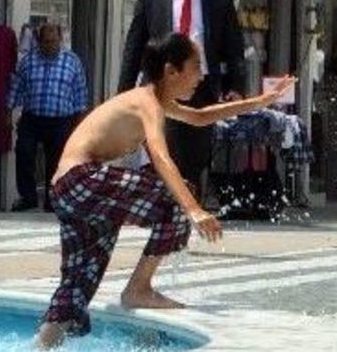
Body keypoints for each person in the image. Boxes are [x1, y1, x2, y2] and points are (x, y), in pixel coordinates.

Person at [35, 33, 294, 349]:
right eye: (196, 66)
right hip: (83, 181)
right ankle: (139, 288)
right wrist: (193, 208)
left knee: (78, 283)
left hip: (68, 190)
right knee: (176, 197)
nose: (201, 76)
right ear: (171, 71)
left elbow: (200, 117)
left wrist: (259, 102)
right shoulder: (147, 103)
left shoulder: (154, 100)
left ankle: (41, 346)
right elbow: (160, 156)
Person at [118, 0, 246, 198]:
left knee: (196, 156)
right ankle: (166, 205)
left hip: (201, 87)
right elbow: (134, 45)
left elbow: (234, 47)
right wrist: (125, 91)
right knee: (163, 150)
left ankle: (188, 204)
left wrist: (236, 86)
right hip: (162, 86)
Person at [6, 23, 89, 212]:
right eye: (46, 42)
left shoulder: (72, 62)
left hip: (60, 120)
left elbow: (80, 95)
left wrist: (79, 125)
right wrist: (8, 112)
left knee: (56, 160)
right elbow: (16, 87)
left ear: (60, 40)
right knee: (24, 152)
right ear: (39, 41)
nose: (50, 45)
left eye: (53, 41)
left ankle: (53, 200)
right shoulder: (28, 61)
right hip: (32, 119)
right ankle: (28, 198)